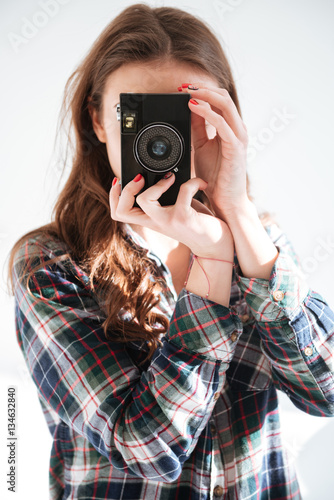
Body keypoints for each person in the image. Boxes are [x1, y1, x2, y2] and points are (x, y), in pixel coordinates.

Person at [7, 3, 334, 499]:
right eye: (140, 115)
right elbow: (148, 450)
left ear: (226, 118)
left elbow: (327, 392)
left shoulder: (256, 242)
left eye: (184, 116)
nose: (163, 139)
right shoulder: (52, 263)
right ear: (97, 121)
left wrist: (238, 215)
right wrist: (213, 265)